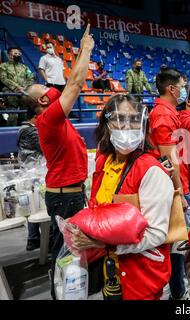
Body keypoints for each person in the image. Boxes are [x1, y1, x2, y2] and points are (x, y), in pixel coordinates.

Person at [70, 94, 173, 300]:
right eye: (119, 119)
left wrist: (104, 244)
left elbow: (157, 233)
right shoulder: (104, 162)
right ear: (107, 124)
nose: (126, 126)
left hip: (141, 276)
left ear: (143, 125)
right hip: (112, 273)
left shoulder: (150, 171)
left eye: (134, 119)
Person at [22, 24, 94, 300]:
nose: (52, 88)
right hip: (65, 196)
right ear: (42, 99)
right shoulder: (49, 119)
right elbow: (75, 84)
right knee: (64, 251)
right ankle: (61, 295)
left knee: (69, 250)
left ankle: (68, 293)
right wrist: (85, 49)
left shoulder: (55, 119)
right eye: (46, 87)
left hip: (68, 192)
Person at [149, 65, 190, 300]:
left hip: (179, 183)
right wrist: (179, 192)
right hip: (173, 188)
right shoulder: (163, 114)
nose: (184, 89)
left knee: (177, 244)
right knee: (176, 245)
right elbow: (169, 159)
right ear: (171, 88)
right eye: (182, 86)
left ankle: (177, 288)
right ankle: (178, 293)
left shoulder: (169, 112)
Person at [17, 107, 43, 251]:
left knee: (36, 205)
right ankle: (34, 239)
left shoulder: (24, 129)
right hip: (34, 172)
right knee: (37, 205)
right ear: (34, 117)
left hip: (31, 171)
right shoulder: (30, 130)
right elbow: (44, 147)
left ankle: (34, 239)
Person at [0, 47, 34, 125]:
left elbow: (31, 77)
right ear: (9, 55)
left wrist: (25, 88)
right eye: (15, 53)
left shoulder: (24, 67)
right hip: (10, 92)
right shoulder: (3, 66)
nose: (18, 55)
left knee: (25, 114)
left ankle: (24, 132)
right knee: (13, 115)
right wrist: (17, 87)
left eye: (19, 53)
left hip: (24, 92)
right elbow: (3, 78)